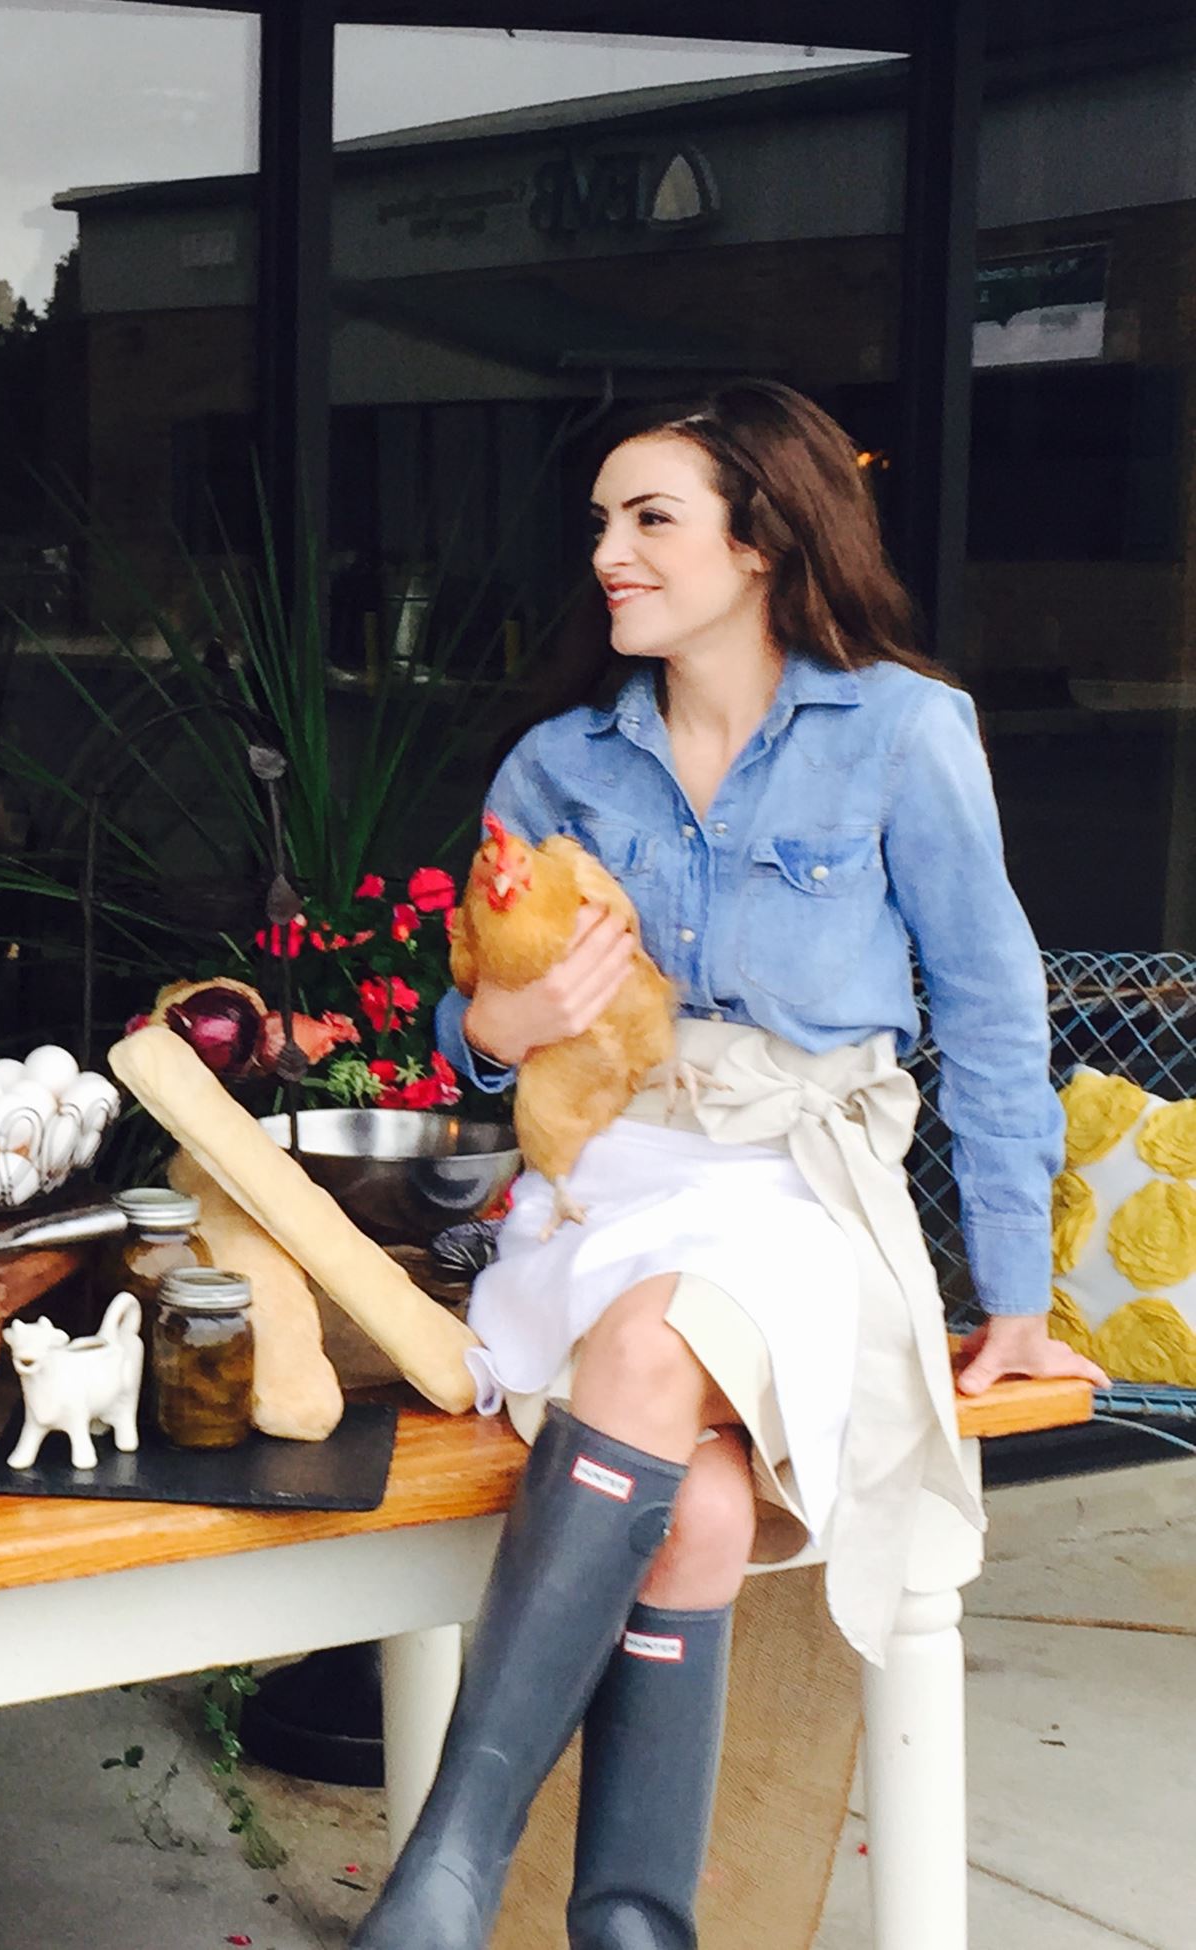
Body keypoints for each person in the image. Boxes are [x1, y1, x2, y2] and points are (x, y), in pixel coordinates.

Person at [352, 379, 1106, 1950]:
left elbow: (992, 1011)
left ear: (762, 540)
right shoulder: (558, 764)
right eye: (601, 524)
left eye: (651, 519)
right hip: (605, 1183)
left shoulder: (902, 733)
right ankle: (633, 1928)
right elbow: (475, 1029)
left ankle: (447, 1871)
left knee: (649, 1346)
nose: (608, 556)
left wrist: (1017, 1293)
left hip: (797, 1192)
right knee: (692, 1507)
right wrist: (496, 1022)